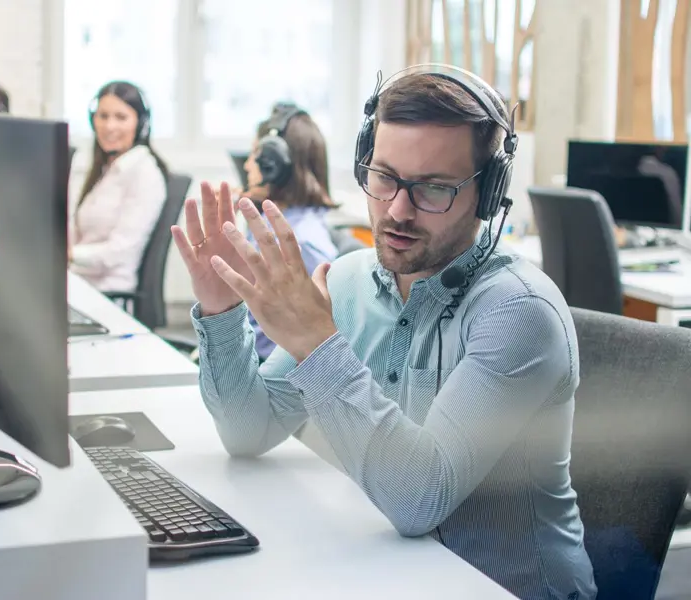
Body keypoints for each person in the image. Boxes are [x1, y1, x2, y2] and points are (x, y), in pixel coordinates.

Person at [171, 64, 596, 600]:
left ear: (487, 196)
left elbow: (420, 498)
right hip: (395, 575)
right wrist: (221, 309)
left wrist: (315, 345)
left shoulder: (518, 312)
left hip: (504, 588)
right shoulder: (350, 280)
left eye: (434, 188)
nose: (397, 210)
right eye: (384, 176)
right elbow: (247, 431)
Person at [238, 104, 338, 360]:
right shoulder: (271, 222)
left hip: (271, 374)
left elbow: (309, 347)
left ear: (275, 164)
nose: (248, 166)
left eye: (254, 156)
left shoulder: (302, 242)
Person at [68, 81, 168, 292]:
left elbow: (120, 252)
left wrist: (69, 254)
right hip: (77, 283)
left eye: (121, 117)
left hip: (108, 293)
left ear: (140, 124)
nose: (109, 126)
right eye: (103, 116)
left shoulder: (146, 174)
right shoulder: (97, 167)